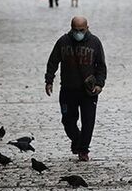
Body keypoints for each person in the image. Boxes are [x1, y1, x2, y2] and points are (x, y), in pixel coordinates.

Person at [45, 16, 107, 161]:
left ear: (87, 28)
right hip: (68, 90)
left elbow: (101, 66)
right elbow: (53, 61)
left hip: (88, 91)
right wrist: (49, 80)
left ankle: (83, 150)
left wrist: (99, 84)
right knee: (67, 121)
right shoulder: (63, 42)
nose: (78, 33)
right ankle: (77, 140)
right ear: (71, 28)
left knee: (88, 121)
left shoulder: (95, 43)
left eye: (81, 30)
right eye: (75, 30)